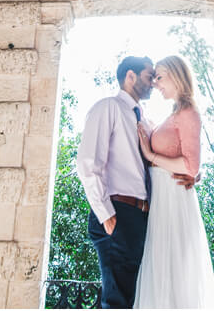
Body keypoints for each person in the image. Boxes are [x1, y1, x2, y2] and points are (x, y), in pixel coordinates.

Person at [133, 55, 214, 309]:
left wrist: (151, 156)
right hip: (163, 200)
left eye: (160, 77)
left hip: (174, 201)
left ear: (176, 75)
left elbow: (192, 166)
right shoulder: (175, 114)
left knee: (176, 271)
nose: (155, 83)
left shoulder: (189, 113)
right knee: (162, 271)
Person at [76, 56, 156, 309]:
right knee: (117, 301)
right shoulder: (107, 107)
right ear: (130, 76)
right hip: (117, 213)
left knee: (134, 298)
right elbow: (89, 162)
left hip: (140, 217)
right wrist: (105, 214)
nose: (153, 82)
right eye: (148, 76)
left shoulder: (143, 118)